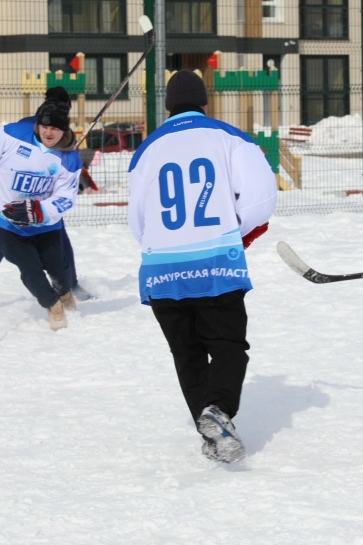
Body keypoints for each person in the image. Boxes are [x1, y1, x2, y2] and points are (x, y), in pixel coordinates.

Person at [127, 70, 277, 463]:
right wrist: (233, 233)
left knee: (187, 353)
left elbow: (137, 222)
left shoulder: (146, 150)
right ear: (204, 102)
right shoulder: (228, 137)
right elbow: (261, 199)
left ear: (168, 106)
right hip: (214, 263)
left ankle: (212, 435)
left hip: (161, 270)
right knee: (228, 347)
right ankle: (218, 410)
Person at [0, 86, 82, 331]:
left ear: (64, 128)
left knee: (59, 269)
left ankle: (64, 292)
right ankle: (53, 306)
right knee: (30, 271)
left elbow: (66, 197)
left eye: (55, 128)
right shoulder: (14, 134)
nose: (49, 132)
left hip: (46, 226)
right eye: (45, 126)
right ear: (38, 123)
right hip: (9, 224)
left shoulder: (69, 157)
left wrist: (38, 211)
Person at [0, 227, 92, 315]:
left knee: (58, 233)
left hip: (41, 194)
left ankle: (70, 284)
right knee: (4, 239)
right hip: (10, 199)